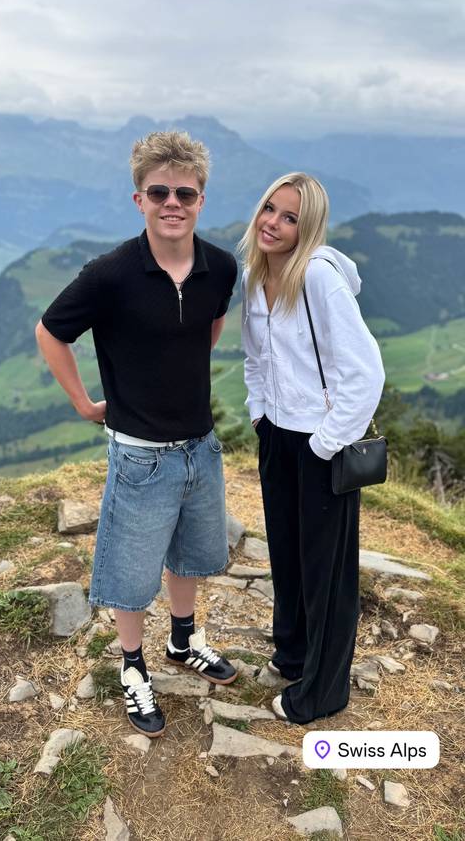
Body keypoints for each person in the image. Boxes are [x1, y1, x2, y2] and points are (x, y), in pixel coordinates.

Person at [36, 130, 238, 738]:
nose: (172, 202)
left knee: (192, 554)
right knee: (129, 569)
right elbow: (51, 332)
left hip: (201, 445)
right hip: (140, 454)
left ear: (201, 199)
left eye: (185, 192)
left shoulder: (219, 267)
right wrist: (82, 402)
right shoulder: (109, 274)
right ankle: (132, 664)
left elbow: (208, 330)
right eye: (159, 192)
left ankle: (182, 641)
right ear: (139, 200)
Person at [240, 172, 385, 725]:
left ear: (309, 226)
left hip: (320, 443)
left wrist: (324, 444)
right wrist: (259, 413)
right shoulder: (257, 277)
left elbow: (366, 372)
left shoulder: (319, 279)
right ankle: (294, 651)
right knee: (288, 553)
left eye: (290, 216)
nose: (273, 223)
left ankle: (324, 691)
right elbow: (256, 358)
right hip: (276, 433)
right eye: (269, 209)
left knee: (328, 572)